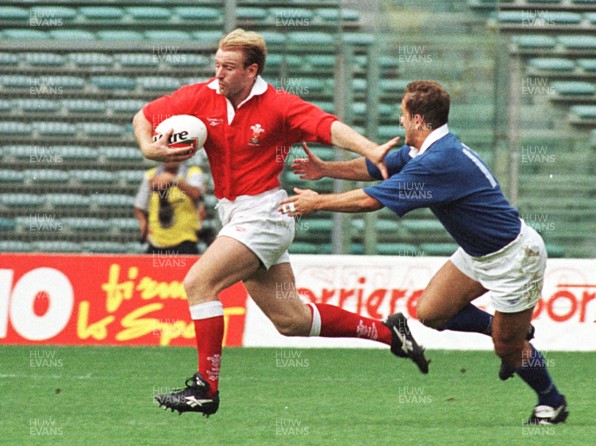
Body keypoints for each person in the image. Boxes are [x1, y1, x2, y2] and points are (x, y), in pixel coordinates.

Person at [132, 29, 429, 417]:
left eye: (229, 67)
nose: (218, 73)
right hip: (235, 214)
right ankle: (392, 334)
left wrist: (370, 148)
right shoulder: (199, 96)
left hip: (265, 213)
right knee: (291, 320)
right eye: (217, 64)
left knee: (199, 282)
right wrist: (148, 146)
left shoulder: (279, 106)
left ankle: (206, 387)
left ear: (252, 71)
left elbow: (328, 126)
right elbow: (144, 115)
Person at [280, 80, 568, 425]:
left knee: (507, 348)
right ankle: (500, 327)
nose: (399, 120)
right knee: (431, 313)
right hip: (479, 252)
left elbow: (372, 199)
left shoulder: (439, 160)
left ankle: (552, 402)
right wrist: (326, 170)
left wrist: (318, 202)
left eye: (403, 114)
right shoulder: (428, 149)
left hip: (514, 258)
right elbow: (377, 168)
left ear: (417, 120)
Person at [134, 161, 205, 255]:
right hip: (156, 241)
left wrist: (173, 180)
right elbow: (139, 206)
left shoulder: (192, 173)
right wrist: (144, 227)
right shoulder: (150, 176)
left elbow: (196, 194)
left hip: (185, 241)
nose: (171, 158)